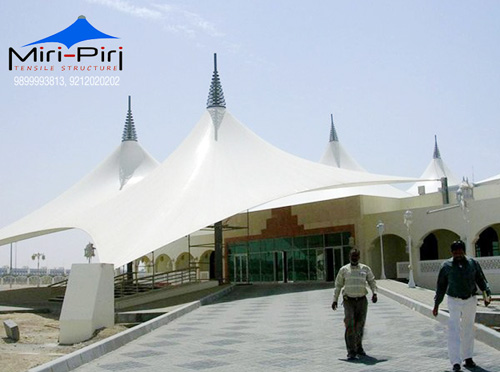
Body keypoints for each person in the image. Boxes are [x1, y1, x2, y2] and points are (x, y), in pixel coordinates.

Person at [433, 240, 492, 372]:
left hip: (470, 299)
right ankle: (455, 362)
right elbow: (441, 286)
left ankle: (468, 357)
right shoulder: (446, 266)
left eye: (460, 252)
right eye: (455, 252)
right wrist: (436, 304)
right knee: (454, 329)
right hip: (453, 299)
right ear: (451, 252)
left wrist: (486, 294)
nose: (458, 255)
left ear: (464, 251)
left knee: (468, 328)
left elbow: (481, 279)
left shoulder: (473, 263)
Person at [332, 248, 377, 360]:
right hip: (349, 301)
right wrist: (335, 300)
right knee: (350, 325)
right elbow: (338, 285)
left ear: (359, 257)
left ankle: (359, 347)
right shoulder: (344, 270)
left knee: (360, 325)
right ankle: (351, 351)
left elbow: (372, 281)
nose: (354, 258)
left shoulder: (365, 269)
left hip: (362, 301)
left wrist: (374, 293)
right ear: (349, 257)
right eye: (352, 256)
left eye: (356, 256)